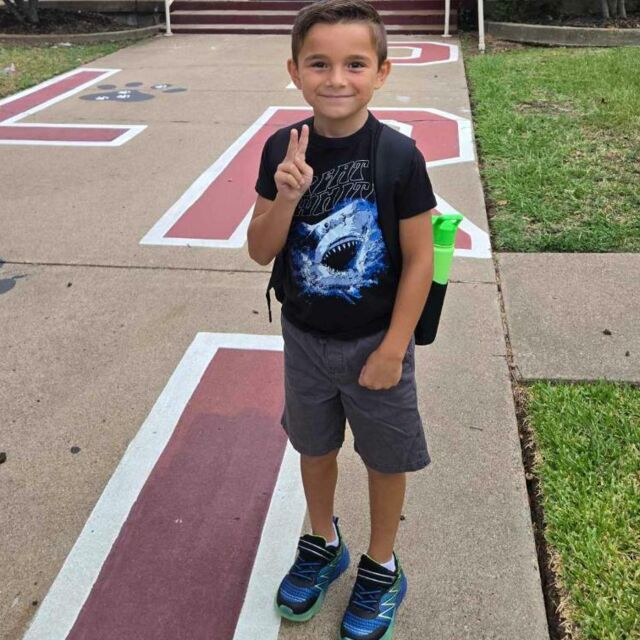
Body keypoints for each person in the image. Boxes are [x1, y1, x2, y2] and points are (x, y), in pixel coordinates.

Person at [248, 0, 437, 637]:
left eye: (355, 64)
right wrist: (287, 196)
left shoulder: (398, 156)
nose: (336, 79)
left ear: (381, 72)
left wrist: (393, 348)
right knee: (315, 447)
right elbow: (260, 249)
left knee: (385, 458)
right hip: (304, 339)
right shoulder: (280, 148)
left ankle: (381, 564)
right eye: (318, 64)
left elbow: (419, 260)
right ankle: (323, 541)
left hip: (377, 342)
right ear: (294, 72)